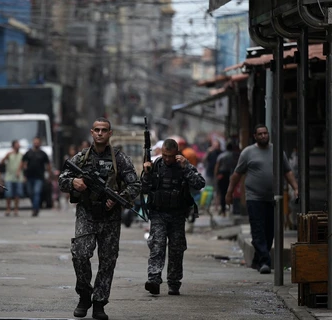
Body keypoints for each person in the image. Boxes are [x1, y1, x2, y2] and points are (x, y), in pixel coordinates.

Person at [58, 117, 140, 320]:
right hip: (86, 213)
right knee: (80, 254)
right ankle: (84, 294)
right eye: (97, 130)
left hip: (110, 217)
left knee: (108, 261)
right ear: (92, 132)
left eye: (104, 130)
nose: (100, 133)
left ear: (110, 133)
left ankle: (99, 303)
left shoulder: (119, 159)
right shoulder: (81, 158)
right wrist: (73, 182)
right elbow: (61, 179)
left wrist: (119, 199)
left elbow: (135, 185)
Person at [225, 124, 298, 274]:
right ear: (255, 136)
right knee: (258, 229)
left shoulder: (277, 151)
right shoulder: (248, 153)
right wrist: (229, 192)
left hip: (273, 198)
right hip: (254, 197)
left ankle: (257, 260)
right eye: (260, 134)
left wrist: (296, 188)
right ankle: (265, 262)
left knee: (269, 231)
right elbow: (237, 175)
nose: (263, 136)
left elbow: (288, 171)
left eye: (265, 133)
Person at [142, 138, 205, 296]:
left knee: (177, 249)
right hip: (158, 213)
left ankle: (174, 282)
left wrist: (185, 169)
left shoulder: (183, 165)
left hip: (177, 214)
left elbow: (199, 183)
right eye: (164, 155)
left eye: (170, 156)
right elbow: (143, 188)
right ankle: (154, 280)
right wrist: (147, 173)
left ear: (176, 153)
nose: (167, 159)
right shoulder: (155, 165)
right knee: (157, 245)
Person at [20, 137, 52, 217]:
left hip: (39, 177)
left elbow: (48, 165)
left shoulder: (43, 154)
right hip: (29, 176)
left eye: (38, 142)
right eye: (35, 142)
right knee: (30, 193)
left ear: (40, 143)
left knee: (37, 192)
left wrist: (49, 175)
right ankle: (35, 206)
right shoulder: (28, 153)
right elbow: (23, 163)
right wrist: (21, 173)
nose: (36, 144)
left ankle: (35, 209)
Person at [0, 140, 24, 216]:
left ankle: (16, 209)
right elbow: (1, 163)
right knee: (8, 194)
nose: (18, 146)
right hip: (9, 177)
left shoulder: (21, 155)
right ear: (13, 146)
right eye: (17, 144)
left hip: (18, 177)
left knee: (17, 194)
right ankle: (8, 209)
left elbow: (23, 165)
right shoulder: (9, 154)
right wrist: (6, 157)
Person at [214, 141, 238, 216]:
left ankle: (223, 210)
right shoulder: (234, 156)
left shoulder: (221, 155)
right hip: (232, 174)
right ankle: (231, 208)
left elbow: (217, 166)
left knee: (222, 193)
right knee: (231, 192)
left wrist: (216, 175)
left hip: (222, 175)